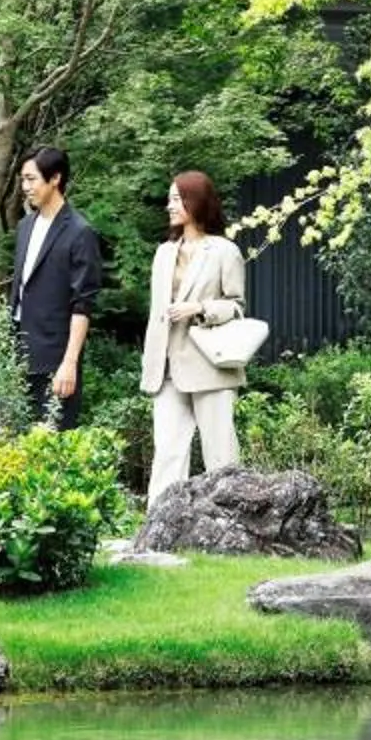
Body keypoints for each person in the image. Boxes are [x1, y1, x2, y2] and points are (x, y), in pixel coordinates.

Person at [140, 170, 250, 504]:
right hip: (166, 366)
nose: (170, 206)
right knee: (168, 450)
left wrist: (198, 308)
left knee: (220, 453)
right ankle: (158, 527)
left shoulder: (224, 251)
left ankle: (235, 518)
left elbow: (236, 306)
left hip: (209, 365)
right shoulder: (163, 254)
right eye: (170, 198)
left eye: (177, 198)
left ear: (196, 202)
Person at [9, 145, 100, 429]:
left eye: (31, 179)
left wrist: (70, 361)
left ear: (55, 178)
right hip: (18, 352)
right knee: (17, 448)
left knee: (54, 443)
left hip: (56, 357)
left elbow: (83, 303)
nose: (25, 187)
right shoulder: (25, 226)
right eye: (23, 180)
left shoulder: (79, 231)